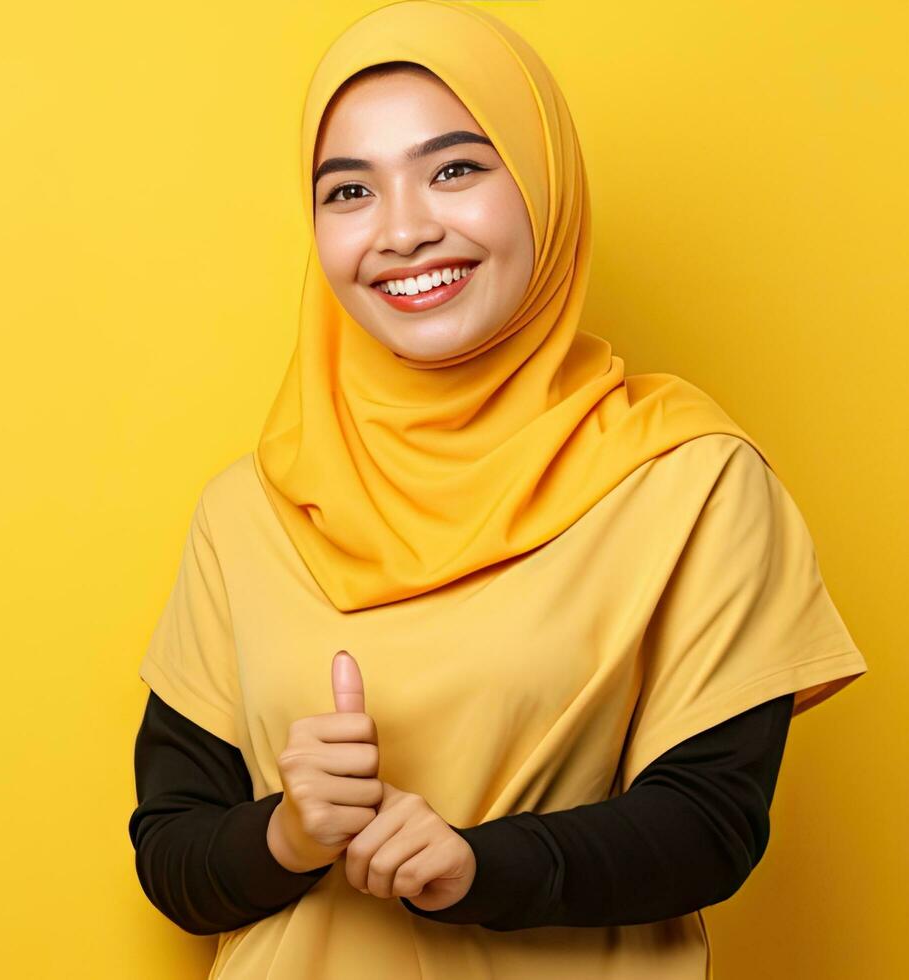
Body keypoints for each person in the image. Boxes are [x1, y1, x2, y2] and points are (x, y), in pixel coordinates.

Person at [125, 2, 869, 977]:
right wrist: (286, 834)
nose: (401, 229)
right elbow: (170, 851)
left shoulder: (685, 477)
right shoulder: (250, 508)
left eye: (454, 168)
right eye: (348, 189)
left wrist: (479, 864)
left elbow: (709, 822)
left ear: (542, 180)